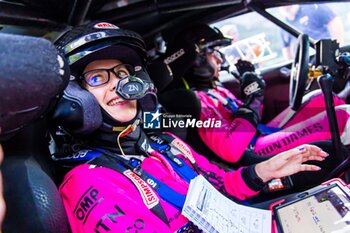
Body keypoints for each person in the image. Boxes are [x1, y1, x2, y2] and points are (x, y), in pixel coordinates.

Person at [52, 21, 342, 232]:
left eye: (123, 73)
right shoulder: (93, 182)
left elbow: (221, 185)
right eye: (98, 78)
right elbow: (233, 143)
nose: (122, 85)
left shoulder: (163, 141)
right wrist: (251, 103)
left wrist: (263, 168)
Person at [161, 24, 350, 164]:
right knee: (343, 116)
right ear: (198, 61)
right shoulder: (195, 102)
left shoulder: (213, 89)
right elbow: (231, 150)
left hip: (256, 134)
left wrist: (249, 89)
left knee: (319, 99)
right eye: (214, 52)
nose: (220, 59)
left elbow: (243, 118)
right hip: (252, 151)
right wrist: (253, 98)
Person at [279, 4, 345, 60]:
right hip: (304, 64)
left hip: (324, 57)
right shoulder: (282, 24)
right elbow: (286, 49)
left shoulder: (313, 7)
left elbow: (334, 21)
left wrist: (337, 50)